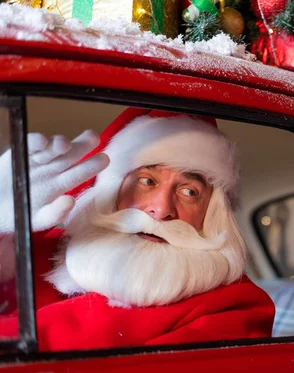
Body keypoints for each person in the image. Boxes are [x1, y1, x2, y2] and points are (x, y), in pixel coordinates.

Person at [0, 108, 275, 351]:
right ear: (113, 191)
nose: (161, 208)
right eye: (147, 181)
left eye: (190, 191)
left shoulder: (234, 308)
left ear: (211, 214)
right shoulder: (35, 255)